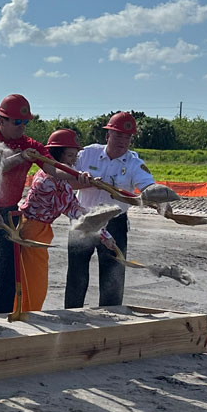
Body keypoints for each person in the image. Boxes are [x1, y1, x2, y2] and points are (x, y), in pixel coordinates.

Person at [64, 112, 169, 308]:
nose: (123, 140)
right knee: (76, 276)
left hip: (114, 224)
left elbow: (147, 186)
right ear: (108, 136)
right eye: (118, 135)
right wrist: (84, 183)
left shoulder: (134, 163)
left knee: (113, 279)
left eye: (127, 137)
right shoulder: (87, 154)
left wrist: (161, 199)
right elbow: (64, 180)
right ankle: (71, 319)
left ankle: (110, 322)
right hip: (83, 221)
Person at [0, 93, 63, 315]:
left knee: (7, 276)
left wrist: (80, 177)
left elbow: (54, 169)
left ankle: (0, 321)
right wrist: (20, 158)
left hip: (7, 213)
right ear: (1, 121)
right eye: (16, 122)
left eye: (25, 122)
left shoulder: (30, 145)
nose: (21, 126)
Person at [18, 129, 110, 311]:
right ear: (57, 153)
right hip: (33, 231)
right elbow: (76, 211)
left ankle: (23, 313)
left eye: (75, 156)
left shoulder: (54, 178)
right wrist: (105, 236)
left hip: (34, 228)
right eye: (69, 155)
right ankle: (28, 315)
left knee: (28, 279)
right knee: (35, 281)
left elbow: (73, 205)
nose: (73, 161)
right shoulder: (51, 180)